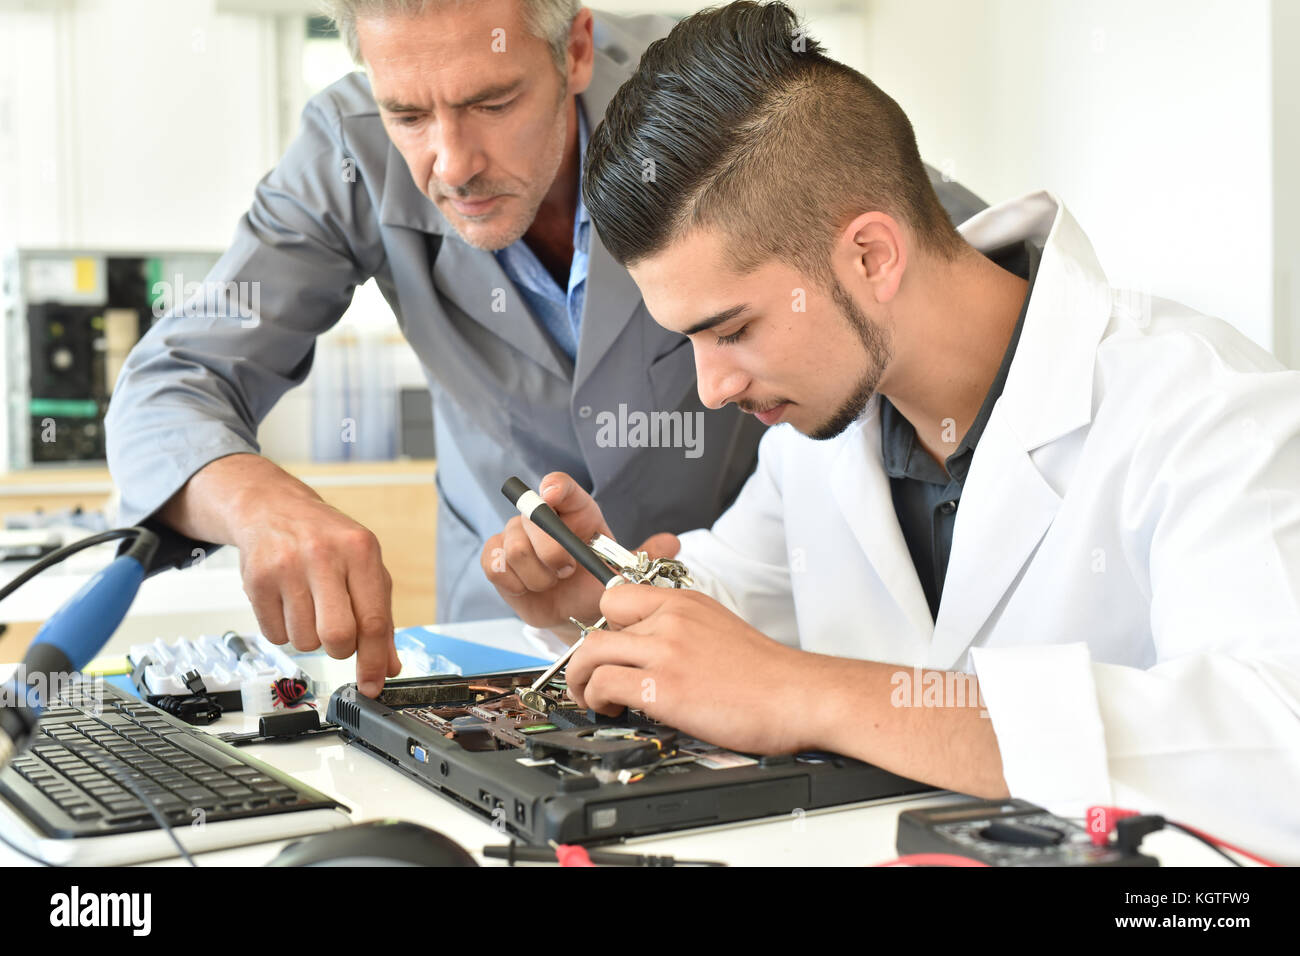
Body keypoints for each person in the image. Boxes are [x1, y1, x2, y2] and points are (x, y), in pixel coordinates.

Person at [483, 1, 1300, 859]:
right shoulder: (821, 441)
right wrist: (609, 591)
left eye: (731, 330)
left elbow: (1280, 743)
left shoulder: (1214, 410)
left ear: (871, 256)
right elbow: (738, 596)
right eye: (687, 340)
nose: (712, 387)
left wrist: (815, 694)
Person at [104, 0, 983, 699]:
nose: (451, 163)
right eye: (407, 112)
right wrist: (258, 505)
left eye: (492, 102)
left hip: (739, 606)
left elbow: (943, 257)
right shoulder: (346, 154)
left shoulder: (703, 111)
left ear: (574, 52)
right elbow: (172, 380)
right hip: (509, 623)